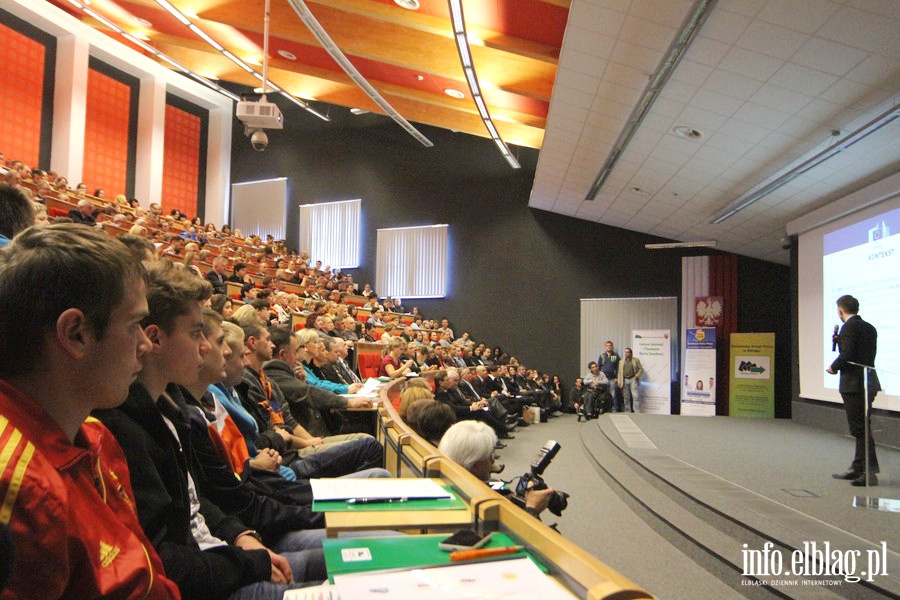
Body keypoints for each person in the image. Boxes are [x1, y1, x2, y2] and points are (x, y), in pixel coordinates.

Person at [94, 261, 324, 599]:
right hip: (216, 578)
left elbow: (198, 501)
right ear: (156, 338)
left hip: (230, 551)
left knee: (369, 550)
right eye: (195, 333)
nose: (206, 347)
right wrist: (248, 560)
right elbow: (166, 560)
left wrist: (238, 533)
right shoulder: (122, 427)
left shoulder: (170, 408)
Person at [0, 224, 179, 598]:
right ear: (75, 334)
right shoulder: (20, 487)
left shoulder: (97, 435)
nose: (146, 345)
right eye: (134, 325)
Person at [438, 421, 553, 519]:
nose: (493, 462)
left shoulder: (448, 478)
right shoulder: (479, 502)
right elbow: (530, 540)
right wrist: (532, 509)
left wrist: (510, 494)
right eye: (490, 456)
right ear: (474, 465)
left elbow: (494, 485)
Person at [827, 294, 880, 486]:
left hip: (854, 383)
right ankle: (858, 467)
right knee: (862, 427)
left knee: (859, 428)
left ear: (840, 310)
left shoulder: (848, 327)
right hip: (869, 381)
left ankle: (869, 472)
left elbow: (847, 355)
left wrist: (833, 366)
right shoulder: (869, 327)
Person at [616, 348, 643, 413]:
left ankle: (637, 411)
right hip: (624, 380)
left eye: (627, 352)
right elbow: (619, 372)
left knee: (635, 396)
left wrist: (637, 375)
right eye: (625, 352)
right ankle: (628, 411)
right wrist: (619, 382)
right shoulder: (621, 362)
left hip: (633, 379)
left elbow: (641, 369)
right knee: (626, 397)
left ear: (631, 353)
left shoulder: (636, 360)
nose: (626, 353)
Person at [598, 341, 622, 411]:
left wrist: (617, 378)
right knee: (604, 395)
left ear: (612, 347)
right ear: (605, 347)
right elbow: (599, 367)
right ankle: (605, 408)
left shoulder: (616, 356)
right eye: (607, 345)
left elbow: (619, 368)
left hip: (612, 379)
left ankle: (614, 409)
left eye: (610, 345)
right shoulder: (602, 356)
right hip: (603, 379)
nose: (609, 347)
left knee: (613, 395)